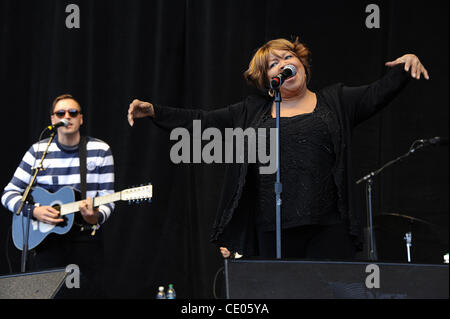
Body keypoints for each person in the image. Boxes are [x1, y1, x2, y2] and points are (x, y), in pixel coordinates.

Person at [127, 38, 429, 260]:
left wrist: (406, 66)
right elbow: (202, 121)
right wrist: (155, 110)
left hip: (327, 226)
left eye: (287, 57)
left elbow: (377, 94)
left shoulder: (337, 101)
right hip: (271, 229)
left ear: (302, 63)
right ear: (267, 79)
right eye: (273, 63)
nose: (283, 64)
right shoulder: (250, 112)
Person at [2, 94, 115, 297]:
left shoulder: (100, 150)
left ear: (81, 119)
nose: (67, 117)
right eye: (61, 113)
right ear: (53, 120)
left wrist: (95, 216)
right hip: (47, 241)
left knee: (86, 293)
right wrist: (34, 211)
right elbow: (8, 194)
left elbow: (108, 198)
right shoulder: (38, 152)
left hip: (85, 237)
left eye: (73, 113)